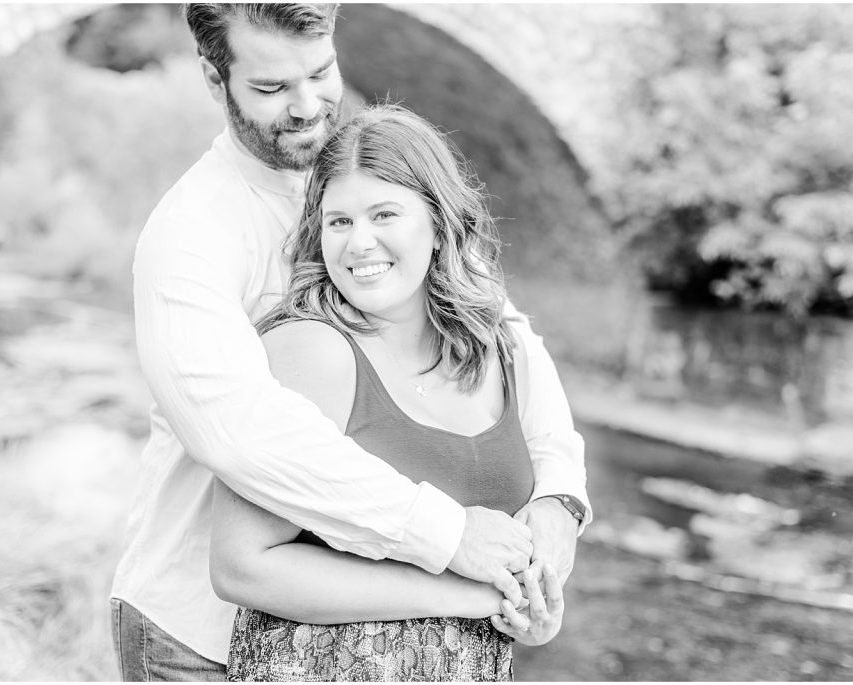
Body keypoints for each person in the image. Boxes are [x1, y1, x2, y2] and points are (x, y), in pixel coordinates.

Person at [110, 3, 590, 681]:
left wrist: (559, 504)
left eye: (322, 71)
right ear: (215, 82)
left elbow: (510, 342)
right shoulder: (192, 235)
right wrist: (454, 542)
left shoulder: (364, 172)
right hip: (197, 636)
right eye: (273, 88)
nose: (308, 106)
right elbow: (240, 436)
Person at [211, 103, 566, 682]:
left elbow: (541, 502)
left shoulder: (499, 348)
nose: (359, 244)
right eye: (339, 221)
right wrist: (466, 594)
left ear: (438, 219)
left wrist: (533, 610)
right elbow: (242, 568)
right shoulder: (313, 352)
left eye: (384, 214)